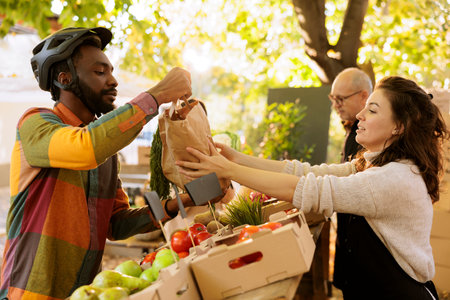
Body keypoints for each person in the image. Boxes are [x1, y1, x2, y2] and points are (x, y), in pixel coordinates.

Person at [176, 76, 445, 299]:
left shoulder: (393, 179)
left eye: (372, 110)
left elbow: (305, 189)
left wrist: (230, 171)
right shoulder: (376, 165)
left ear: (399, 126)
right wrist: (236, 158)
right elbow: (307, 173)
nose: (360, 115)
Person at [0, 27, 197, 299]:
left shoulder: (105, 154)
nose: (113, 81)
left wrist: (180, 202)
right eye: (100, 72)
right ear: (64, 78)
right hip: (29, 293)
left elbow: (116, 224)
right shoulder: (36, 124)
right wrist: (158, 94)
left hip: (86, 293)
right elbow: (86, 147)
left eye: (111, 71)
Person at [329, 67, 373, 292]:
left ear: (364, 96)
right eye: (333, 98)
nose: (336, 104)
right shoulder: (352, 131)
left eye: (341, 98)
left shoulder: (368, 136)